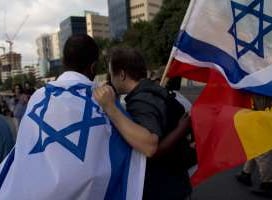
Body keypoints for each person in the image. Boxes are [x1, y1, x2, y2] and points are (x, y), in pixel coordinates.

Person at [0, 35, 146, 200]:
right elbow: (132, 146)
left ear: (64, 62)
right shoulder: (105, 99)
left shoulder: (37, 98)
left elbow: (24, 147)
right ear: (93, 67)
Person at [94, 47, 192, 200]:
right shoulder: (152, 91)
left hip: (164, 189)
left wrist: (110, 107)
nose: (111, 79)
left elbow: (149, 146)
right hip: (176, 183)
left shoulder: (142, 100)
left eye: (112, 74)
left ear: (122, 75)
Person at [236, 94, 272, 198]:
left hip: (261, 118)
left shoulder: (261, 84)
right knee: (254, 147)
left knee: (262, 153)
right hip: (264, 116)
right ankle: (246, 173)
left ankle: (268, 185)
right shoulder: (267, 82)